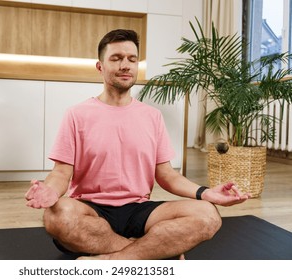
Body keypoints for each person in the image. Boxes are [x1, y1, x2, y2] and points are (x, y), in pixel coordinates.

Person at [25, 29, 251, 260]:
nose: (125, 65)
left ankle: (110, 260)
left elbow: (167, 175)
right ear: (100, 66)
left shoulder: (152, 116)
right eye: (116, 58)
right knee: (55, 216)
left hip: (139, 209)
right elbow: (62, 172)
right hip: (90, 210)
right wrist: (50, 191)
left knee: (208, 216)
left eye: (132, 59)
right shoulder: (76, 114)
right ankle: (151, 252)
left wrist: (206, 193)